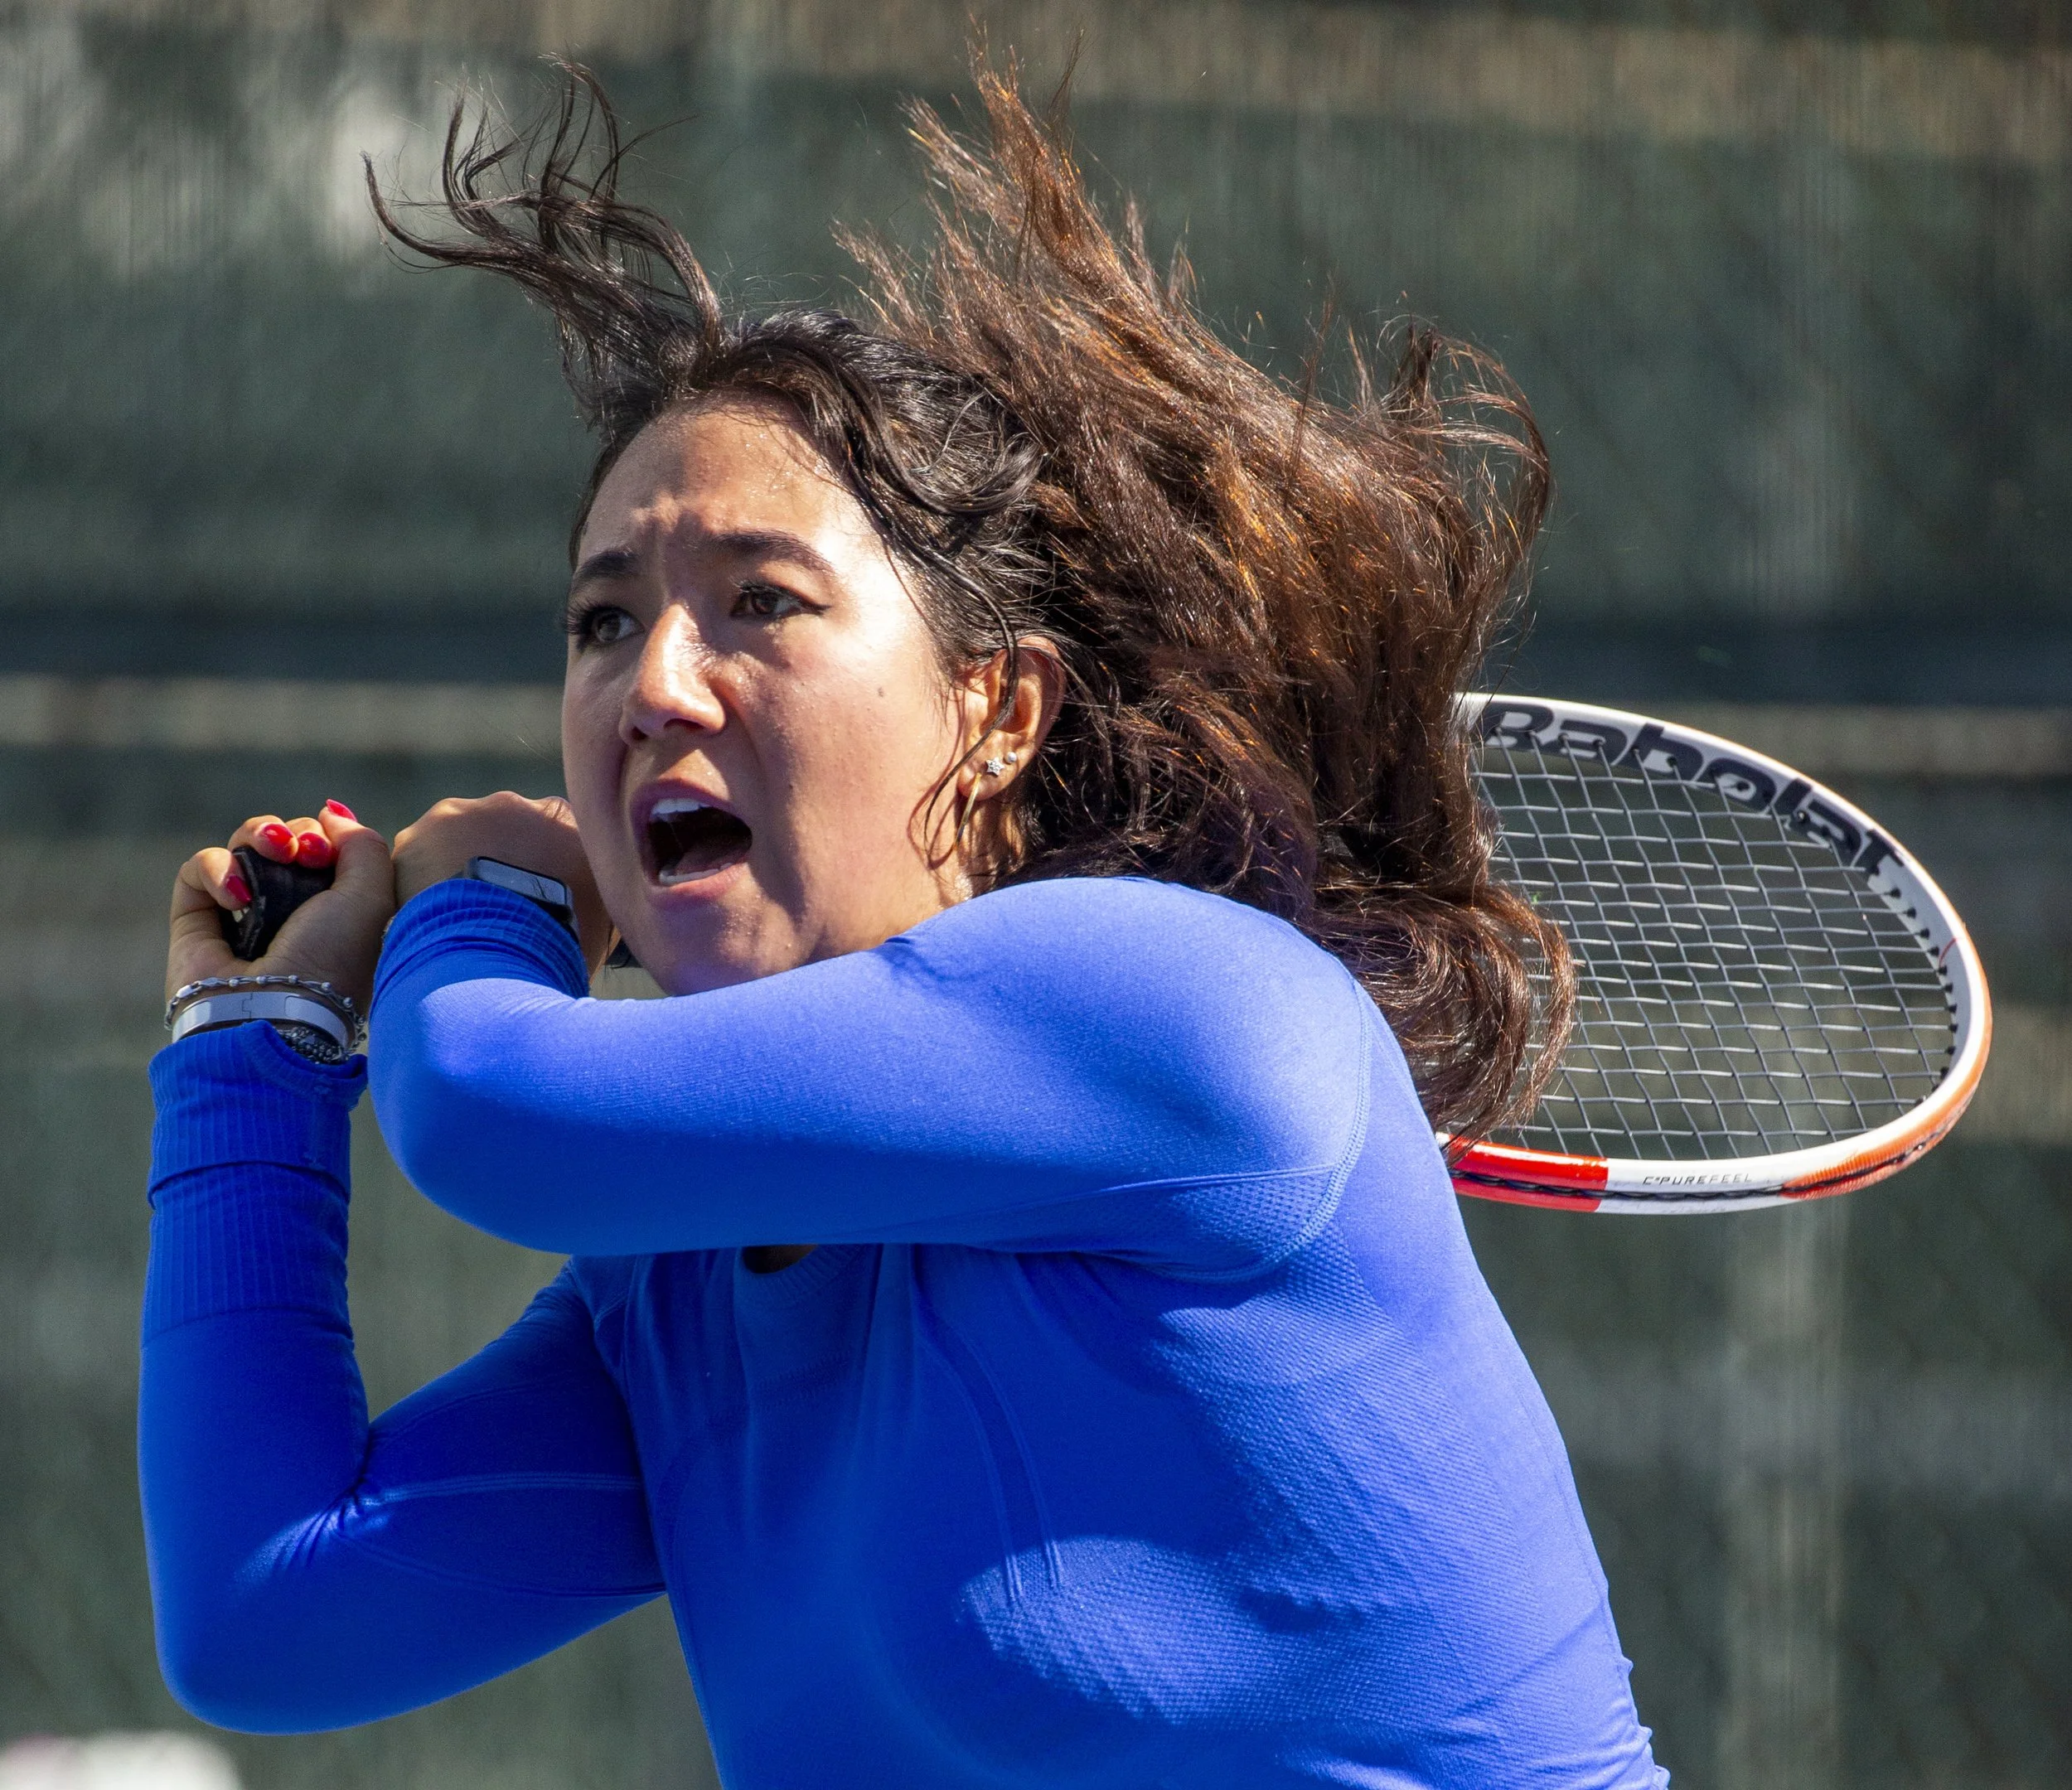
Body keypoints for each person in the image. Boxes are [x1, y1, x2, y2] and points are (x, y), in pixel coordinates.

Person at [142, 64, 1665, 1788]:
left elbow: (493, 1114)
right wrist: (251, 1054)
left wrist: (485, 895)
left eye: (761, 603)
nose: (650, 684)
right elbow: (268, 1613)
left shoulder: (1183, 1001)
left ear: (998, 709)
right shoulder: (671, 1303)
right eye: (598, 618)